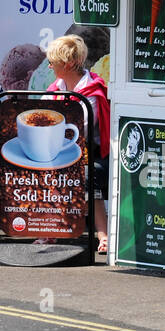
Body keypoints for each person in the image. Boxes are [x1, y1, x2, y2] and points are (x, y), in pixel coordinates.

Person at [44, 35, 110, 255]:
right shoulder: (56, 87)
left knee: (90, 178)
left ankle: (104, 236)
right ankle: (50, 229)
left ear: (69, 64)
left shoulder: (92, 90)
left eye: (53, 61)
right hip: (59, 149)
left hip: (90, 151)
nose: (50, 65)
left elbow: (80, 127)